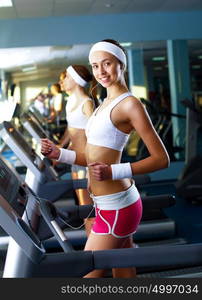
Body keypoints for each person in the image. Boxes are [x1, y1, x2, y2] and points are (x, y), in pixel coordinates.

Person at [41, 39, 170, 278]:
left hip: (118, 206)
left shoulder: (130, 105)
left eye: (107, 63)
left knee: (87, 275)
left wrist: (113, 172)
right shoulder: (102, 105)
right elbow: (92, 158)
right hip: (106, 205)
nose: (101, 71)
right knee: (123, 274)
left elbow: (161, 159)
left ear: (121, 64)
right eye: (95, 66)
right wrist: (60, 153)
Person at [44, 65, 99, 236]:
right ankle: (94, 246)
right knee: (84, 206)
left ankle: (96, 249)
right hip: (76, 160)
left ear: (75, 80)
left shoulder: (87, 103)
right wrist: (60, 149)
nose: (62, 80)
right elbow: (72, 130)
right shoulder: (70, 102)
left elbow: (97, 135)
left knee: (88, 208)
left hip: (87, 161)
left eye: (66, 77)